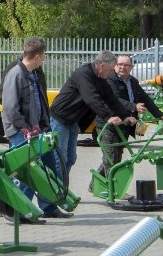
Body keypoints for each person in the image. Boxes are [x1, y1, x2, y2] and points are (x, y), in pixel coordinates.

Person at [0, 37, 70, 221]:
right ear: (37, 56)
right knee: (28, 172)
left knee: (48, 168)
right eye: (44, 56)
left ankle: (48, 207)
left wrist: (40, 124)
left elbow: (38, 102)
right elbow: (10, 107)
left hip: (38, 130)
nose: (44, 59)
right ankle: (19, 210)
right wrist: (24, 127)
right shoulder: (16, 74)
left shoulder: (33, 73)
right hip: (21, 132)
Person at [49, 50, 130, 182]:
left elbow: (111, 98)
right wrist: (107, 117)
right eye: (110, 70)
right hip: (60, 120)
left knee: (70, 158)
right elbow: (92, 98)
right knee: (60, 158)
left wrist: (125, 115)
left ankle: (62, 188)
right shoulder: (84, 74)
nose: (112, 73)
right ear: (101, 66)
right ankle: (56, 192)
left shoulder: (100, 78)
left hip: (73, 122)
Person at [95, 55, 163, 182]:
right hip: (109, 124)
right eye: (120, 64)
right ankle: (113, 191)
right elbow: (114, 99)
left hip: (125, 124)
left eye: (126, 65)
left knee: (115, 157)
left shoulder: (133, 81)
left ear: (131, 67)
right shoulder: (109, 80)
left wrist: (159, 114)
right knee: (111, 158)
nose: (122, 67)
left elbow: (145, 98)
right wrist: (134, 106)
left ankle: (94, 185)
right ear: (115, 66)